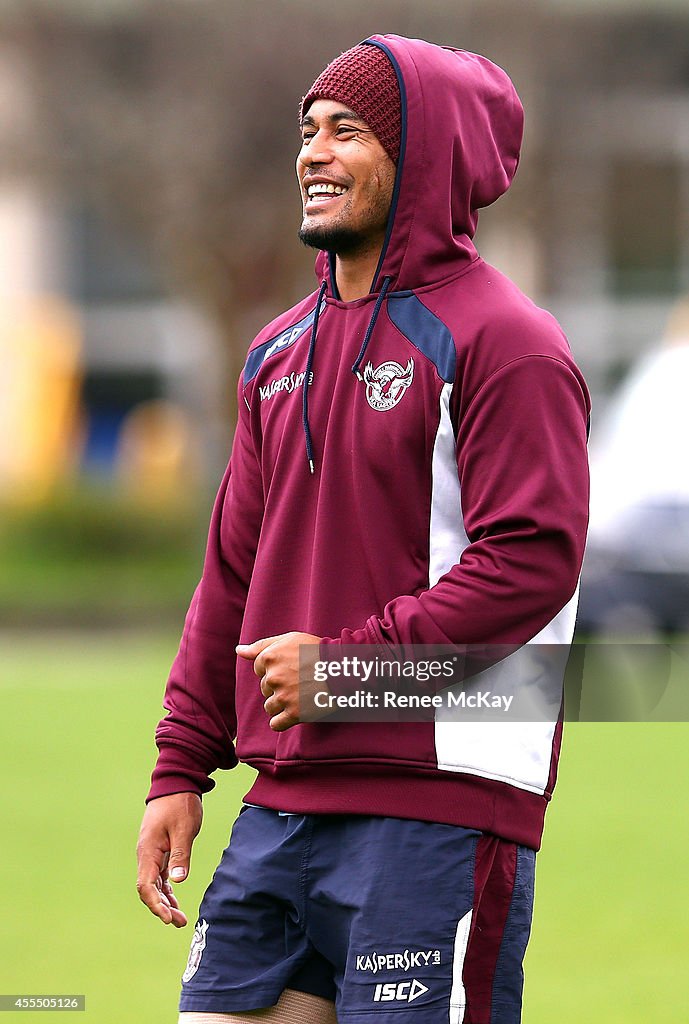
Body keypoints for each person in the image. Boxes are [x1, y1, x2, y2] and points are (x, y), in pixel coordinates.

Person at [136, 34, 590, 1024]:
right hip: (286, 800)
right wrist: (180, 762)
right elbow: (232, 575)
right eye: (308, 130)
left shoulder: (507, 342)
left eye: (349, 130)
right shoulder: (274, 351)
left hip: (443, 803)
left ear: (422, 157)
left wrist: (346, 669)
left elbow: (532, 565)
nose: (315, 152)